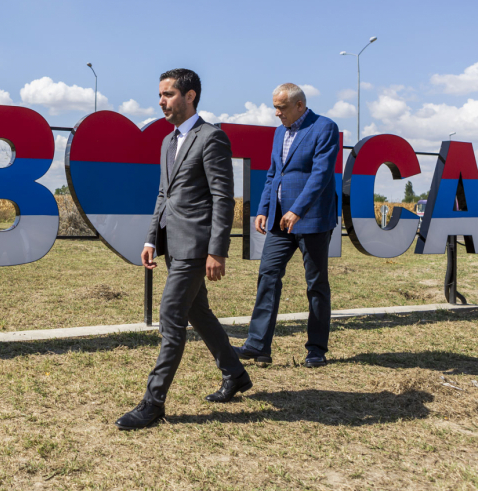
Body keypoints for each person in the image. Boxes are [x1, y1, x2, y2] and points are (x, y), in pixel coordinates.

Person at [115, 68, 250, 431]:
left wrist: (217, 251)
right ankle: (235, 373)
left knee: (171, 316)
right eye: (160, 95)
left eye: (168, 94)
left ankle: (153, 402)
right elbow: (164, 194)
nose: (161, 101)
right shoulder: (167, 141)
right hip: (172, 244)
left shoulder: (212, 138)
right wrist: (151, 239)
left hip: (196, 245)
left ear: (190, 96)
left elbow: (223, 198)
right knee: (198, 312)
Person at [235, 83, 340, 368]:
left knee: (316, 284)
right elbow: (273, 174)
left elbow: (321, 174)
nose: (276, 113)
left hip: (313, 220)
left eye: (281, 107)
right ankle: (258, 346)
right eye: (275, 107)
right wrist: (263, 209)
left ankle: (316, 350)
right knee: (267, 275)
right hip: (279, 221)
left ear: (299, 105)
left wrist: (297, 210)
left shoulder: (324, 128)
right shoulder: (280, 132)